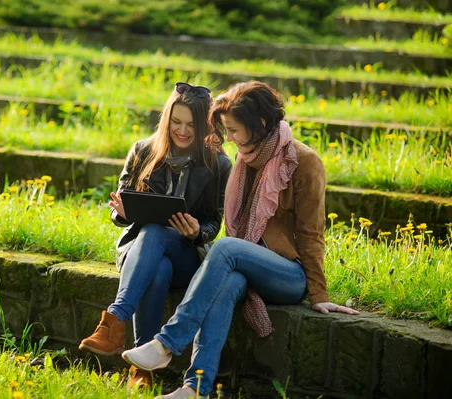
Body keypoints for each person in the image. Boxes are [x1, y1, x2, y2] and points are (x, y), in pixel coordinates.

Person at [120, 81, 359, 399]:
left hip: (290, 274)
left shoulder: (304, 162)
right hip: (249, 267)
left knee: (225, 247)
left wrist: (318, 293)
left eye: (233, 130)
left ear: (260, 124)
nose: (229, 139)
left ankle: (168, 342)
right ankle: (196, 388)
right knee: (225, 286)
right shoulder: (248, 159)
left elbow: (312, 234)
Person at [78, 82, 232, 390]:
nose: (183, 131)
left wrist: (197, 231)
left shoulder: (219, 163)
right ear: (166, 119)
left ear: (205, 126)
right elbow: (119, 213)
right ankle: (141, 368)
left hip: (187, 254)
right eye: (176, 122)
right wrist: (121, 211)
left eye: (191, 125)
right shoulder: (143, 150)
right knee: (157, 263)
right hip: (141, 252)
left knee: (157, 232)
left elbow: (214, 221)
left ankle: (114, 321)